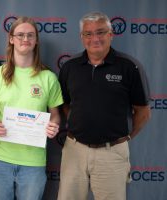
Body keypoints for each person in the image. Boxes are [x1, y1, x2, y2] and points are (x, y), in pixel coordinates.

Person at [57, 12, 151, 200]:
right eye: (88, 34)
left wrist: (126, 138)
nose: (95, 38)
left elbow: (142, 111)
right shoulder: (70, 67)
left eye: (100, 32)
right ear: (82, 37)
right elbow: (65, 105)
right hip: (74, 151)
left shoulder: (130, 67)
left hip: (112, 153)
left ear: (111, 34)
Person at [0, 16, 63, 200]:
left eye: (30, 35)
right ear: (11, 39)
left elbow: (56, 115)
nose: (25, 39)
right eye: (20, 35)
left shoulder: (48, 78)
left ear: (36, 40)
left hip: (33, 163)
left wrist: (54, 126)